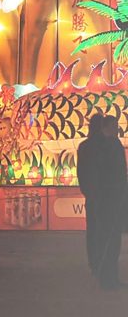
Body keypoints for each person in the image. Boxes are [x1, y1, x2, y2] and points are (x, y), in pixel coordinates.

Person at [91, 115, 127, 289]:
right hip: (112, 200)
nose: (117, 129)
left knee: (108, 240)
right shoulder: (111, 145)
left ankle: (107, 277)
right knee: (111, 241)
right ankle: (108, 279)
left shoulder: (100, 146)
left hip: (106, 199)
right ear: (106, 127)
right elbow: (117, 173)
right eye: (114, 126)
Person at [76, 113, 103, 274]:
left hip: (92, 195)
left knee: (92, 230)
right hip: (105, 195)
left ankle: (93, 262)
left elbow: (81, 172)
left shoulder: (84, 146)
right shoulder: (106, 145)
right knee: (104, 229)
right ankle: (103, 261)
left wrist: (86, 191)